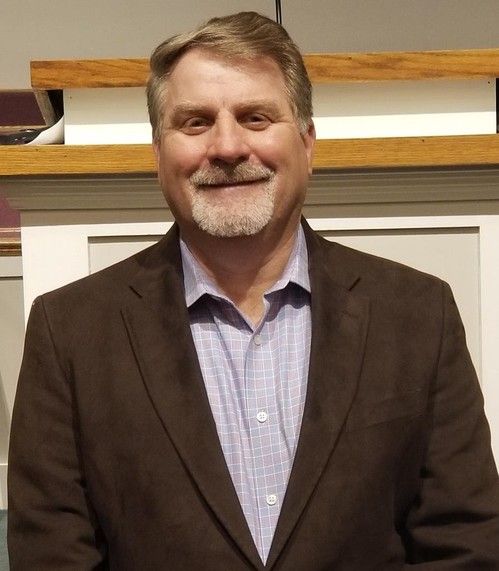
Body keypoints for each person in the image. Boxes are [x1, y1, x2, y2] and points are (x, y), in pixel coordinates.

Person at [7, 11, 499, 570]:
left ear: (307, 144)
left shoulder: (418, 316)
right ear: (158, 154)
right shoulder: (70, 333)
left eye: (255, 117)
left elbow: (465, 545)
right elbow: (51, 556)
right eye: (195, 122)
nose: (227, 146)